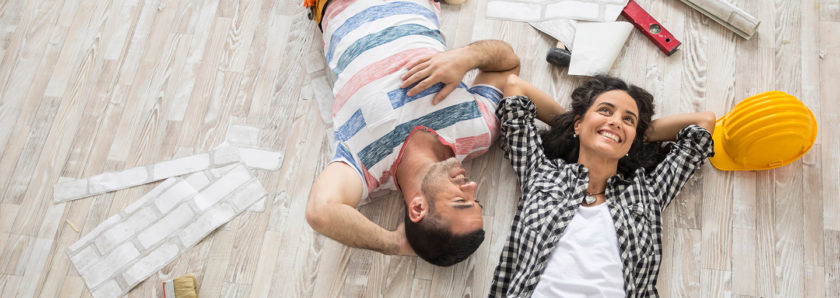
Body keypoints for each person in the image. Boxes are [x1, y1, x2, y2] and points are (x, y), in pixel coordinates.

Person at [303, 0, 554, 266]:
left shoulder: (366, 168)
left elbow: (321, 212)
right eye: (475, 198)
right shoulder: (477, 131)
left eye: (461, 200)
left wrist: (395, 244)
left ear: (418, 207)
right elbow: (506, 65)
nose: (471, 185)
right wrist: (465, 57)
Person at [489, 75, 716, 296]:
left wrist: (628, 135)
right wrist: (581, 125)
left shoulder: (647, 194)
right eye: (605, 110)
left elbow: (704, 123)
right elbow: (514, 86)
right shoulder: (540, 173)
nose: (616, 120)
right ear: (578, 124)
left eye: (629, 119)